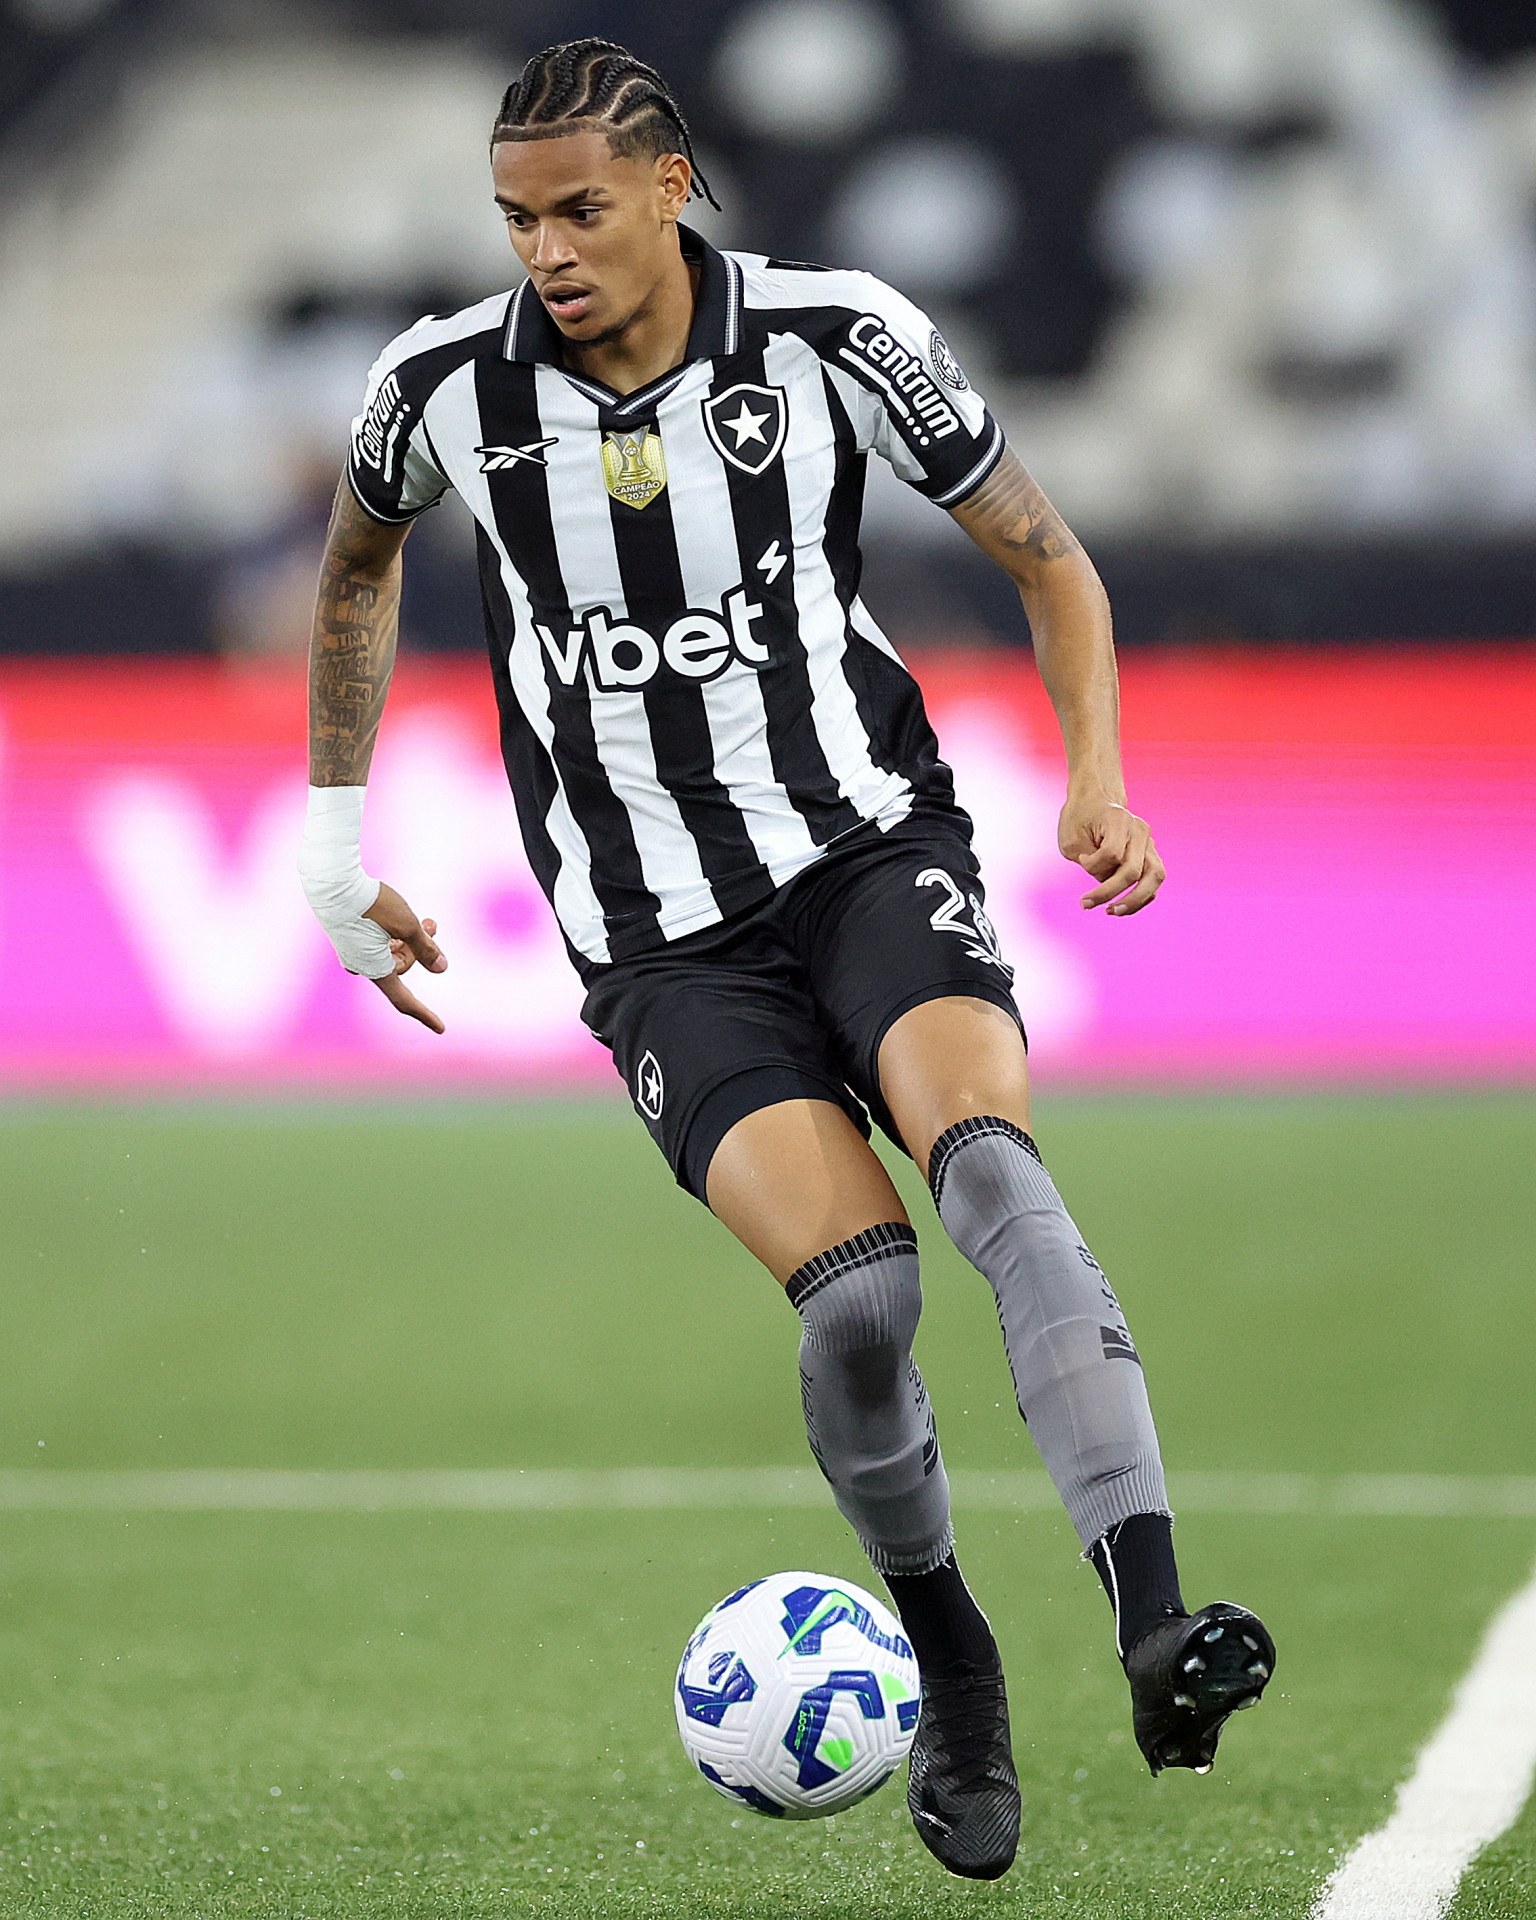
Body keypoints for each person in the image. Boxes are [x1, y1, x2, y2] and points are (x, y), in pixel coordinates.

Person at [298, 38, 1274, 1881]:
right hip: (660, 941)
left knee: (996, 1180)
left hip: (865, 853)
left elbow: (1047, 554)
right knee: (859, 1311)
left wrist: (1097, 775)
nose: (546, 251)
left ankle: (1154, 1621)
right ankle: (955, 1659)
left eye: (579, 209)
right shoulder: (437, 388)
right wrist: (337, 854)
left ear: (673, 184)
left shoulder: (834, 339)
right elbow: (356, 573)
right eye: (516, 218)